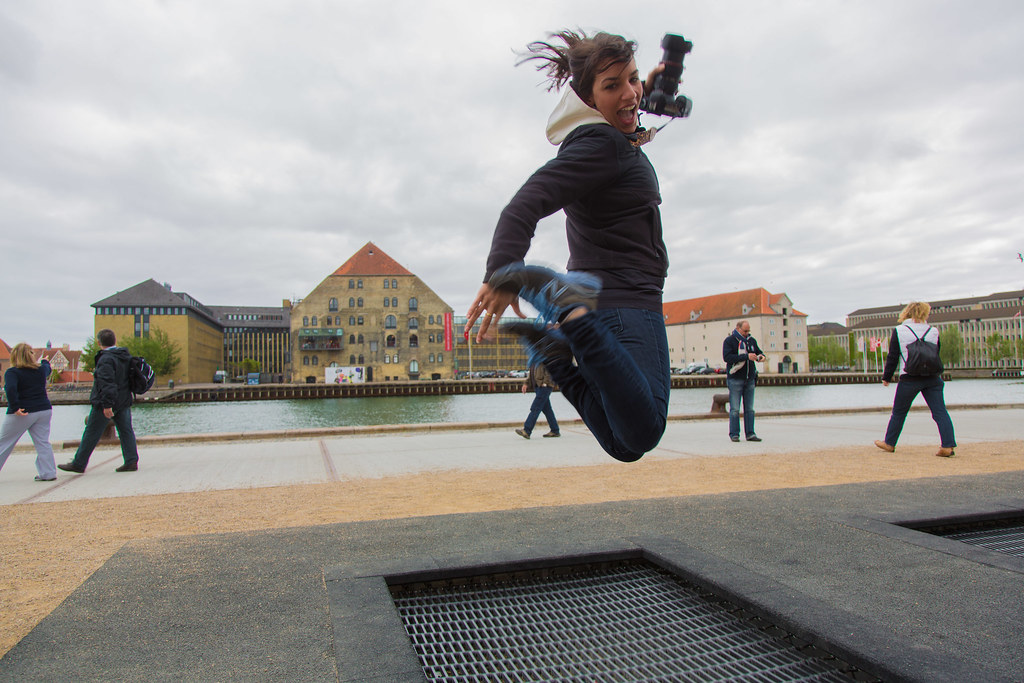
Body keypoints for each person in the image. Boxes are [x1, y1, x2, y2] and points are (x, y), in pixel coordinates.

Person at [463, 30, 675, 463]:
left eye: (632, 79)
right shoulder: (603, 145)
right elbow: (525, 204)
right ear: (588, 98)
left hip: (614, 301)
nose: (630, 92)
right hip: (626, 302)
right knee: (645, 429)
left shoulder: (602, 138)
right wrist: (505, 271)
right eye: (612, 85)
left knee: (623, 444)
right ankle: (569, 314)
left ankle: (557, 354)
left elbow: (627, 104)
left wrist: (642, 91)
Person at [874, 301, 956, 457]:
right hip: (933, 377)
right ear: (925, 313)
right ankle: (948, 445)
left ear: (906, 313)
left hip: (909, 377)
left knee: (899, 412)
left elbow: (893, 356)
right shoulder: (933, 331)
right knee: (940, 412)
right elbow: (935, 353)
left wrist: (887, 377)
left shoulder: (900, 330)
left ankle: (890, 443)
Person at [58, 329, 139, 473]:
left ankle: (79, 463)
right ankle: (131, 460)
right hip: (124, 400)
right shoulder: (124, 356)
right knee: (126, 431)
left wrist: (107, 405)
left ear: (98, 342)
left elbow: (107, 383)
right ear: (115, 341)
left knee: (91, 432)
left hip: (106, 403)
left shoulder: (106, 359)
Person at [0, 343, 57, 481]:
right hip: (44, 409)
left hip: (24, 410)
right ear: (31, 356)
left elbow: (11, 389)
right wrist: (44, 360)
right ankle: (48, 472)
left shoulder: (12, 372)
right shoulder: (40, 370)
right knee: (43, 442)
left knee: (4, 442)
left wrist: (14, 407)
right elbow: (47, 368)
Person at [722, 320, 766, 443]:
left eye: (748, 331)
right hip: (735, 378)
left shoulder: (751, 341)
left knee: (750, 409)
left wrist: (761, 356)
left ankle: (750, 433)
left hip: (749, 379)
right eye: (745, 331)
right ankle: (734, 434)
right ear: (738, 328)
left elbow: (758, 352)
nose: (747, 333)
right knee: (735, 409)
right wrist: (746, 356)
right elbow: (727, 357)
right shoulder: (729, 341)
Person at [516, 362, 560, 440]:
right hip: (538, 388)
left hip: (544, 388)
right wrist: (526, 384)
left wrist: (545, 383)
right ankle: (555, 430)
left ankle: (527, 430)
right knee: (547, 410)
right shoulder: (534, 361)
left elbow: (549, 372)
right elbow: (531, 375)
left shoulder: (544, 358)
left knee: (535, 408)